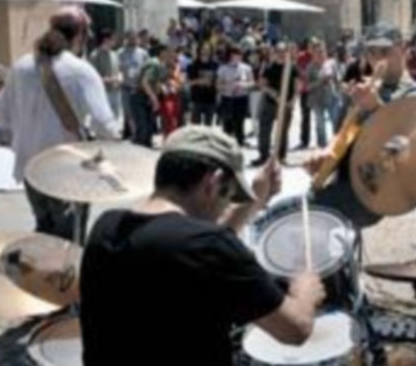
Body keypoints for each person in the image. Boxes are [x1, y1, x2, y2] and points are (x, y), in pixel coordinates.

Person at [80, 126, 325, 365]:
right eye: (227, 196)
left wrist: (255, 202)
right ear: (213, 181)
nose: (225, 207)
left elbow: (197, 251)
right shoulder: (209, 246)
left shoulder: (107, 227)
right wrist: (305, 291)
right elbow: (295, 329)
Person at [0, 5, 119, 242]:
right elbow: (106, 125)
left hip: (30, 166)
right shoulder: (81, 71)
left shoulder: (20, 66)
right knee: (69, 240)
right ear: (80, 35)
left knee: (45, 232)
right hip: (67, 168)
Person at [304, 22, 416, 228]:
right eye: (371, 51)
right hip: (344, 181)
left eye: (385, 51)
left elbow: (404, 148)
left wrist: (376, 107)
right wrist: (326, 154)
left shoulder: (413, 94)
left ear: (403, 49)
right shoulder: (365, 87)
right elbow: (345, 134)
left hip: (374, 188)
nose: (378, 58)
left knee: (304, 213)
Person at [253, 42, 299, 166]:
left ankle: (281, 156)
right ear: (275, 53)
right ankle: (263, 156)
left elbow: (296, 86)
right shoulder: (269, 68)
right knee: (265, 130)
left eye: (283, 52)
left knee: (283, 131)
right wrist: (273, 93)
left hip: (286, 104)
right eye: (279, 52)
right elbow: (262, 84)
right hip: (270, 103)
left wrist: (292, 101)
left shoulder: (292, 68)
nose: (281, 54)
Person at [217, 45, 253, 145]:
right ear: (230, 55)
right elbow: (218, 85)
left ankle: (240, 143)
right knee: (227, 124)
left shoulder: (246, 68)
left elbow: (251, 83)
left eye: (239, 54)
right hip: (228, 98)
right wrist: (229, 85)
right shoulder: (223, 68)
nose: (237, 57)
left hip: (241, 98)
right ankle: (226, 146)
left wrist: (243, 85)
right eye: (235, 54)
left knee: (239, 123)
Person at [306, 39, 339, 147]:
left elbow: (338, 79)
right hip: (316, 99)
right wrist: (320, 81)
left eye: (323, 52)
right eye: (318, 52)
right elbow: (307, 86)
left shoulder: (332, 63)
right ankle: (322, 145)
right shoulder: (310, 67)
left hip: (331, 96)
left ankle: (337, 144)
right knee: (320, 124)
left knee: (336, 121)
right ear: (314, 54)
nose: (321, 54)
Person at [88, 29, 123, 130]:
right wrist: (108, 80)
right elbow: (93, 77)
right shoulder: (95, 56)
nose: (114, 41)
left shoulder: (114, 54)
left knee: (115, 115)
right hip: (103, 92)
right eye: (112, 39)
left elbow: (119, 70)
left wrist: (120, 77)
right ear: (106, 40)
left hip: (115, 91)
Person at [118, 30, 150, 139]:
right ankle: (134, 134)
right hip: (126, 87)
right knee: (128, 112)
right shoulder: (120, 53)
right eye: (130, 38)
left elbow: (147, 69)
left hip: (139, 88)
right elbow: (117, 69)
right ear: (126, 38)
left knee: (138, 112)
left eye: (134, 38)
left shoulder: (143, 53)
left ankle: (138, 134)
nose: (133, 40)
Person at [187, 43, 219, 126]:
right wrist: (199, 81)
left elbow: (219, 81)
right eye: (203, 49)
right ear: (199, 51)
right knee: (195, 128)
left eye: (208, 49)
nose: (205, 51)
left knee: (208, 127)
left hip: (211, 99)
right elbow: (188, 82)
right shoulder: (193, 65)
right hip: (196, 99)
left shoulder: (215, 65)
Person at [296, 39, 313, 149]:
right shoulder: (301, 56)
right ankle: (304, 140)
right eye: (310, 45)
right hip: (305, 90)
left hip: (317, 90)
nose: (312, 47)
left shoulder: (318, 55)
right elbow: (297, 69)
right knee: (305, 116)